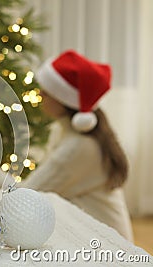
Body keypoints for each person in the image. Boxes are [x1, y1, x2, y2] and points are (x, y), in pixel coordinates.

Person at [20, 50, 133, 241]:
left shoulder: (79, 147)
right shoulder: (66, 132)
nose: (39, 95)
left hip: (105, 247)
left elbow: (27, 196)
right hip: (87, 235)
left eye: (46, 92)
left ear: (64, 100)